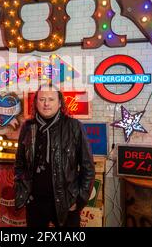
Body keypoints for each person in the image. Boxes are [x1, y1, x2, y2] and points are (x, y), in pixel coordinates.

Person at [15, 83, 95, 227]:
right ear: (36, 102)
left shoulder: (74, 126)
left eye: (51, 99)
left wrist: (79, 200)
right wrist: (22, 191)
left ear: (59, 103)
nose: (46, 104)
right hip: (35, 203)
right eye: (42, 99)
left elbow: (87, 168)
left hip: (66, 202)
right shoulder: (28, 127)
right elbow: (19, 165)